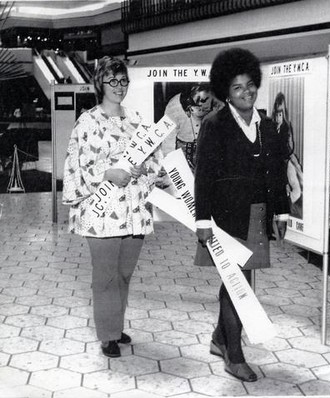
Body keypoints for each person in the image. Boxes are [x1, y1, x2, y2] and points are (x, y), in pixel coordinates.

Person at [194, 48, 290, 382]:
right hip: (223, 221)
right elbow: (203, 176)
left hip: (257, 217)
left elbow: (277, 174)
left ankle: (221, 339)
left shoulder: (266, 126)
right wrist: (203, 221)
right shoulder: (214, 124)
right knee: (238, 286)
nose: (246, 92)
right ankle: (234, 356)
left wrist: (282, 213)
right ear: (226, 91)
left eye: (250, 85)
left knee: (238, 283)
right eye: (237, 87)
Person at [62, 56, 164, 358]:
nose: (119, 87)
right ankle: (107, 334)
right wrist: (108, 174)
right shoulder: (87, 121)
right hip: (102, 212)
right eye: (113, 81)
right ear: (100, 84)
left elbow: (154, 159)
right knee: (105, 275)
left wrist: (145, 170)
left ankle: (116, 326)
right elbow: (76, 165)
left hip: (134, 211)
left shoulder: (137, 120)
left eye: (123, 81)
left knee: (123, 274)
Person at [162, 84, 222, 169]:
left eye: (206, 109)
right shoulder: (174, 108)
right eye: (201, 109)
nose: (203, 112)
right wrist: (171, 167)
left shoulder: (219, 103)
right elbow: (168, 141)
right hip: (182, 149)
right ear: (190, 108)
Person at [271, 92, 303, 218]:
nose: (280, 115)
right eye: (278, 112)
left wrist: (290, 157)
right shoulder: (271, 125)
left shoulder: (286, 125)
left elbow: (291, 143)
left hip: (286, 159)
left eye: (282, 112)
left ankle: (287, 209)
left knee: (296, 189)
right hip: (276, 162)